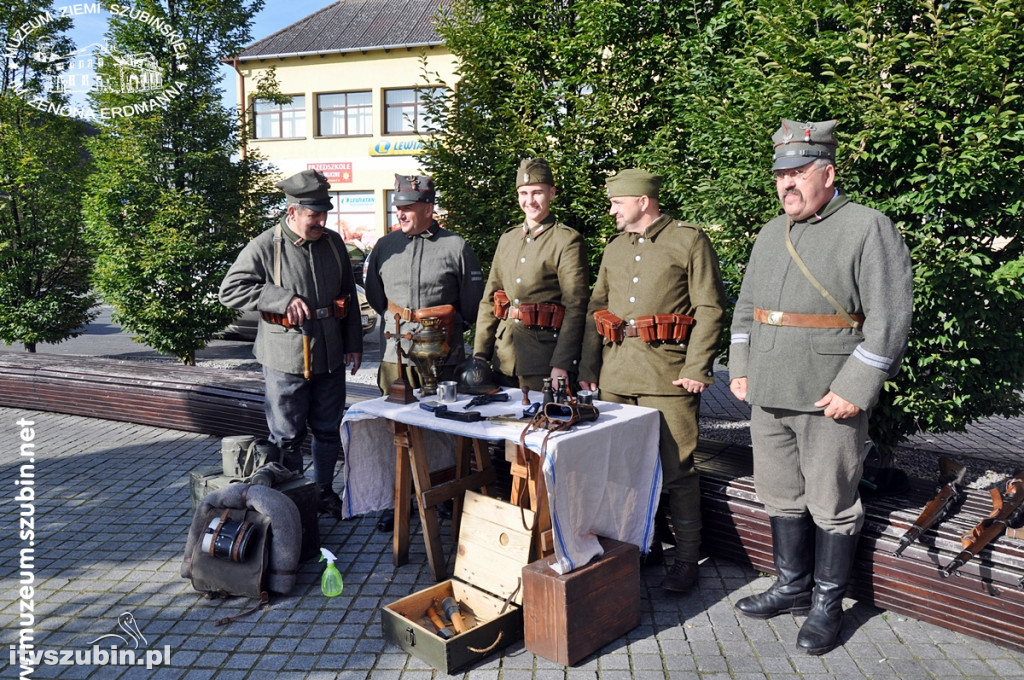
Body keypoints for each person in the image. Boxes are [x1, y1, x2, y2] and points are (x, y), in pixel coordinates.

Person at [728, 119, 913, 655]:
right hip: (767, 390)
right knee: (780, 494)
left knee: (832, 503)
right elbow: (747, 308)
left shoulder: (867, 227)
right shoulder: (769, 231)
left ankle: (827, 604)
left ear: (827, 174)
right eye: (781, 173)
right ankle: (790, 587)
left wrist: (857, 384)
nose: (787, 182)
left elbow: (890, 318)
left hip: (830, 393)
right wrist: (740, 364)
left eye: (799, 172)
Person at [579, 168, 727, 594]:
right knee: (622, 469)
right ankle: (641, 546)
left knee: (678, 471)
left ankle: (686, 560)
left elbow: (710, 308)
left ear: (643, 201)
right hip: (616, 376)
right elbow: (597, 310)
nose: (612, 211)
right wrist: (589, 370)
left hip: (668, 377)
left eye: (617, 203)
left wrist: (697, 368)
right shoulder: (614, 248)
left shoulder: (689, 240)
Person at [219, 169, 364, 519]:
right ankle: (293, 500)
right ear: (293, 212)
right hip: (285, 359)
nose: (321, 221)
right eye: (313, 215)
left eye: (324, 213)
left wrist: (353, 343)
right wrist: (280, 298)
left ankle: (326, 492)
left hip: (329, 355)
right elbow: (230, 291)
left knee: (329, 431)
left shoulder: (332, 244)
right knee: (286, 436)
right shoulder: (266, 245)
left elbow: (348, 297)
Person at [363, 173, 484, 530]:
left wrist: (442, 324)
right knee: (395, 431)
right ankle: (397, 499)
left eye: (408, 208)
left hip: (443, 353)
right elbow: (374, 295)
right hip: (396, 355)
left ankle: (445, 494)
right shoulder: (385, 246)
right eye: (398, 207)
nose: (400, 214)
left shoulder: (455, 246)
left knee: (442, 429)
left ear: (429, 208)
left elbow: (471, 304)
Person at [472, 158, 589, 394]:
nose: (530, 200)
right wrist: (480, 354)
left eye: (537, 192)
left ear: (552, 193)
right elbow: (491, 299)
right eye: (523, 193)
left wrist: (562, 363)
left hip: (543, 360)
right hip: (503, 356)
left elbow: (575, 306)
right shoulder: (508, 239)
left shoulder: (566, 240)